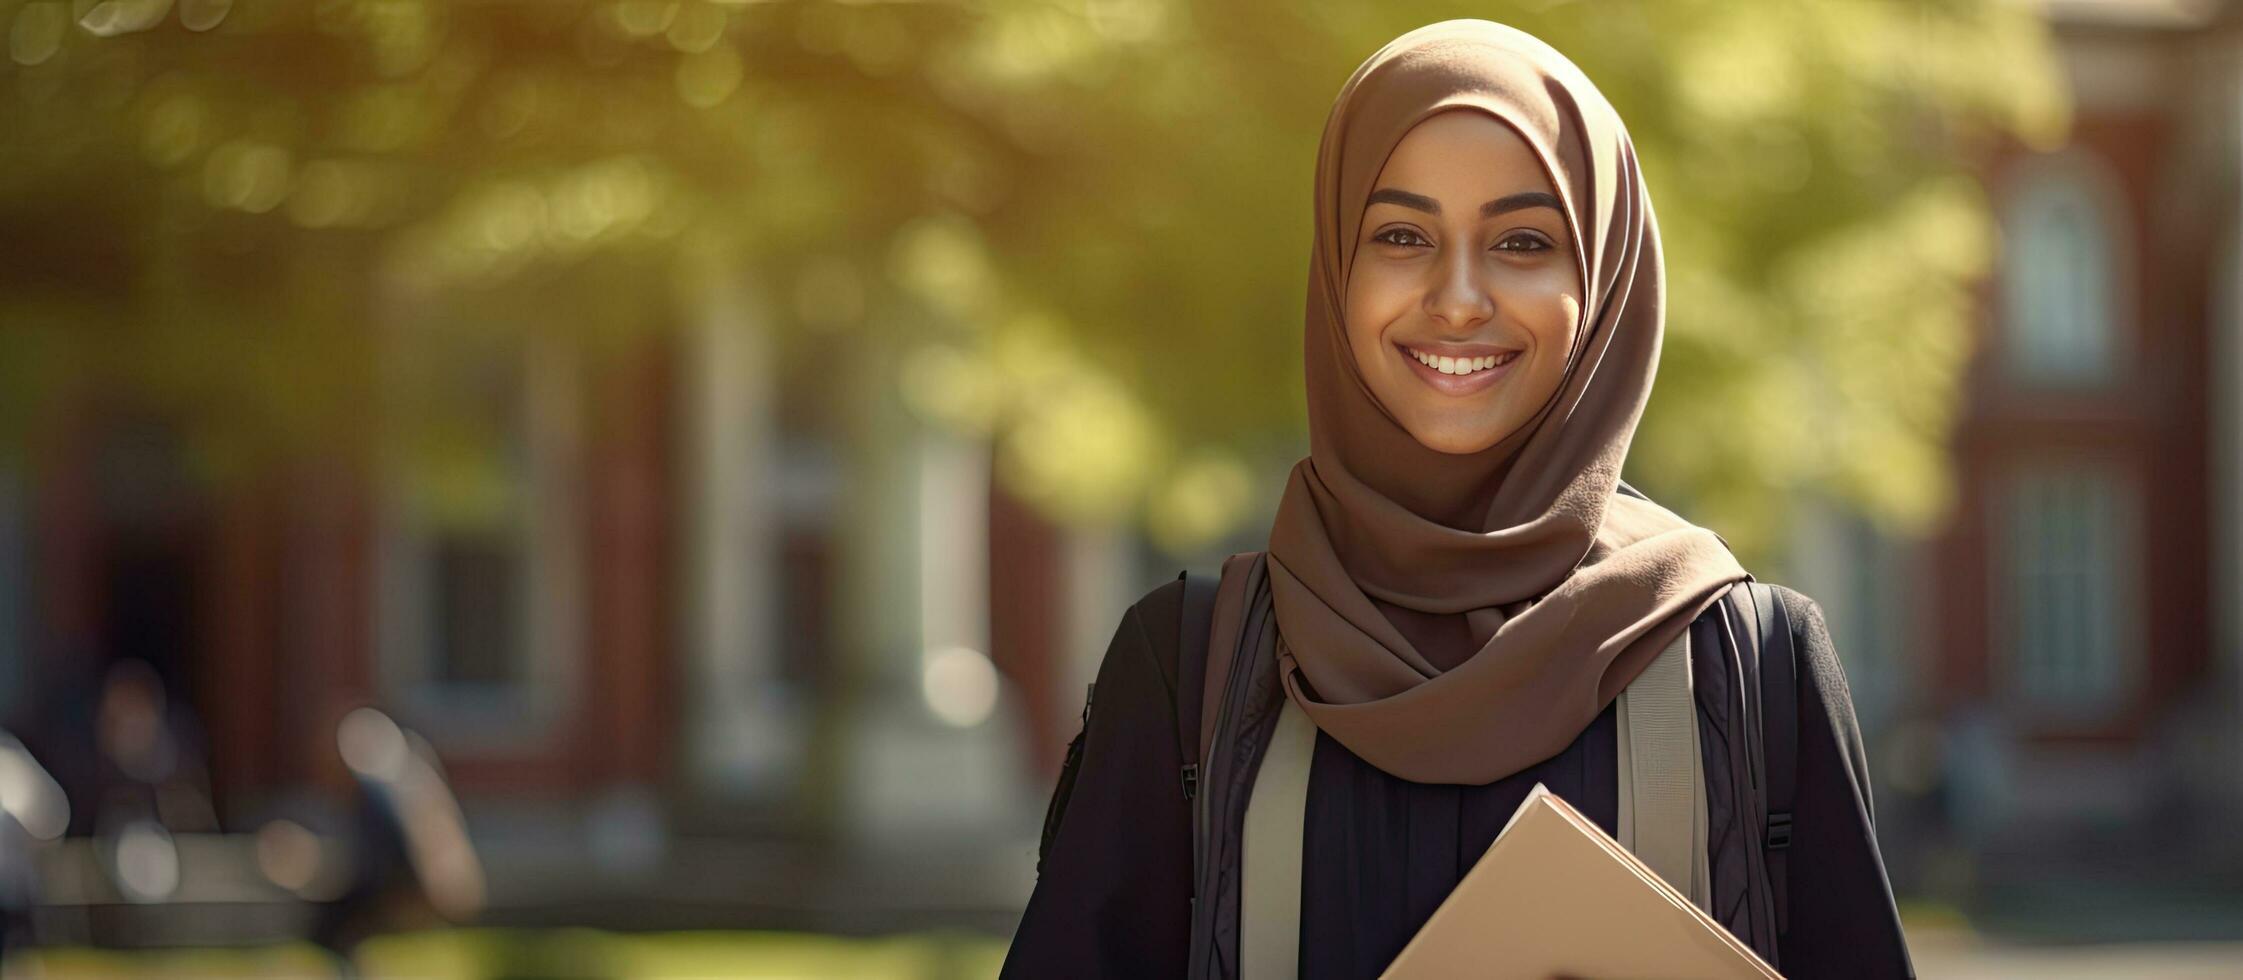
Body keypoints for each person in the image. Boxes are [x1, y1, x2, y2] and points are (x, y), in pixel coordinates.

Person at [1001, 18, 1912, 980]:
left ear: (1601, 281)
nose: (1458, 298)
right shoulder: (1188, 673)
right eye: (1400, 235)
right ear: (1336, 271)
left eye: (1521, 240)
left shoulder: (1751, 669)